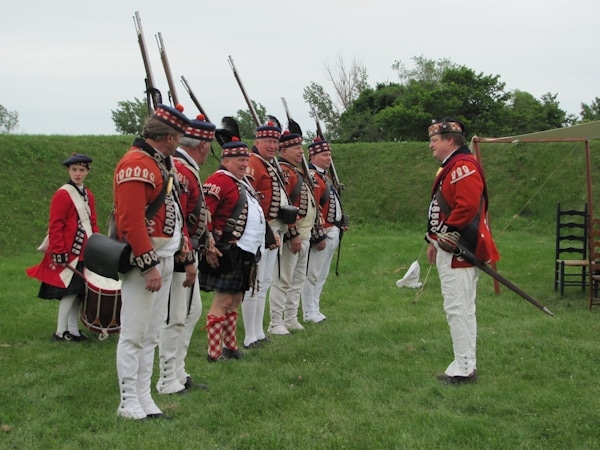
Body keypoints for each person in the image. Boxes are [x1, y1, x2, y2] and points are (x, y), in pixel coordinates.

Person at [113, 103, 192, 420]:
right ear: (170, 137)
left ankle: (144, 397)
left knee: (152, 333)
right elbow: (130, 221)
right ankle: (127, 400)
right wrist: (149, 267)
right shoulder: (138, 164)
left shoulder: (159, 163)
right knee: (134, 333)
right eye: (178, 137)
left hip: (164, 255)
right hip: (144, 261)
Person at [425, 117, 500, 385]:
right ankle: (466, 363)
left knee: (458, 308)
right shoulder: (454, 166)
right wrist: (433, 241)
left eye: (435, 140)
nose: (431, 146)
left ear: (449, 139)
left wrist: (448, 235)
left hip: (461, 249)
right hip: (454, 246)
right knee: (463, 308)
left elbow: (467, 206)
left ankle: (464, 368)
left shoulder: (463, 166)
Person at [156, 114, 215, 395]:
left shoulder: (185, 168)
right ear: (203, 145)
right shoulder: (180, 169)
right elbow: (177, 219)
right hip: (180, 253)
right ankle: (167, 378)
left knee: (191, 312)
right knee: (175, 316)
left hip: (187, 249)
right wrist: (188, 257)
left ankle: (178, 371)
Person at [200, 137, 265, 362]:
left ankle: (230, 347)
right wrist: (208, 243)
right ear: (226, 161)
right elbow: (204, 213)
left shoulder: (241, 182)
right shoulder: (219, 181)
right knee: (223, 300)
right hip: (227, 249)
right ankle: (214, 352)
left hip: (244, 250)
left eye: (246, 158)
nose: (244, 163)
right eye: (239, 159)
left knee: (236, 298)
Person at [26, 153, 99, 342]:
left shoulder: (88, 194)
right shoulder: (63, 194)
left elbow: (92, 222)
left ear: (87, 172)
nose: (78, 173)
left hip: (84, 251)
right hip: (68, 252)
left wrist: (96, 245)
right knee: (71, 292)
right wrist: (59, 251)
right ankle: (60, 331)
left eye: (81, 170)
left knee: (79, 292)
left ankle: (73, 331)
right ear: (68, 170)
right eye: (74, 170)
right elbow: (55, 225)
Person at [241, 122, 288, 345]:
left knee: (265, 281)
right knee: (255, 283)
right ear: (257, 142)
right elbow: (249, 198)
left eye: (275, 142)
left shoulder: (269, 164)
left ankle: (259, 331)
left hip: (272, 231)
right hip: (260, 231)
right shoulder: (253, 163)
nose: (272, 146)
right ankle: (250, 335)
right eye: (268, 141)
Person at [269, 131, 319, 333]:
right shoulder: (284, 172)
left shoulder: (296, 172)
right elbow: (285, 206)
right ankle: (276, 321)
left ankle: (290, 317)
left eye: (301, 147)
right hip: (293, 236)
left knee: (297, 280)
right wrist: (292, 233)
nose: (301, 151)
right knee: (283, 279)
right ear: (284, 150)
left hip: (305, 234)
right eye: (296, 148)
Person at [302, 138, 347, 323]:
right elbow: (313, 208)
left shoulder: (324, 176)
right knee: (312, 274)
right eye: (324, 154)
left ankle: (315, 306)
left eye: (329, 154)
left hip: (333, 229)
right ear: (312, 155)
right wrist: (318, 232)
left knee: (322, 274)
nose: (328, 158)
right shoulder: (313, 177)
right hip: (323, 231)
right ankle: (308, 311)